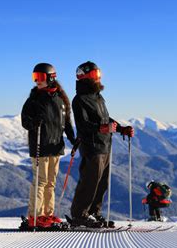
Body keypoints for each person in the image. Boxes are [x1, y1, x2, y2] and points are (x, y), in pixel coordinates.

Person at [70, 61, 134, 227]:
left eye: (98, 75)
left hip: (105, 145)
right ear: (84, 77)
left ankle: (93, 213)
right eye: (94, 75)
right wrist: (102, 128)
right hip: (91, 147)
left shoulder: (98, 97)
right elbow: (83, 125)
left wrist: (121, 129)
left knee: (102, 183)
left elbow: (105, 119)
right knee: (90, 182)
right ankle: (79, 215)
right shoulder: (79, 100)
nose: (97, 78)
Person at [21, 62, 76, 228]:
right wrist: (34, 123)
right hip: (40, 146)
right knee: (41, 181)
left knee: (51, 182)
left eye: (40, 77)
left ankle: (47, 214)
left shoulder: (60, 100)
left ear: (51, 78)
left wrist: (73, 140)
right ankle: (35, 216)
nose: (37, 81)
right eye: (34, 77)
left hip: (56, 146)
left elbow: (66, 123)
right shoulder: (33, 100)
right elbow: (25, 121)